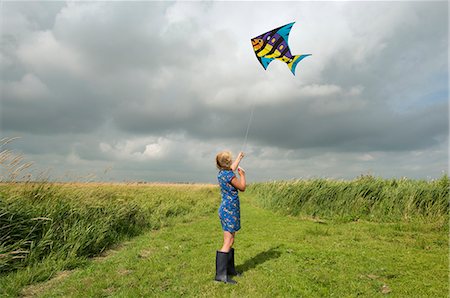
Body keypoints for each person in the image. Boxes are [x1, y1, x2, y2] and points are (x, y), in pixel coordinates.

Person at [214, 151, 246, 284]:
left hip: (226, 210)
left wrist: (239, 158)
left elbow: (231, 168)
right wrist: (242, 175)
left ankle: (230, 269)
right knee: (228, 241)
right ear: (227, 162)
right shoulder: (230, 176)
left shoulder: (222, 173)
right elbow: (242, 187)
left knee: (231, 239)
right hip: (230, 210)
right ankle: (220, 275)